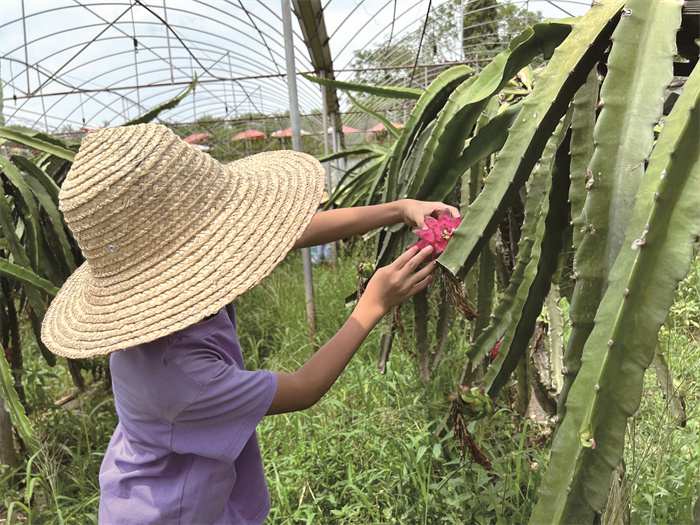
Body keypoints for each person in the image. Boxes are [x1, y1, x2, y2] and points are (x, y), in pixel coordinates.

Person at [41, 123, 460, 524]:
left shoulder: (166, 305)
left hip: (173, 491)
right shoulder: (181, 380)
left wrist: (399, 208)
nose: (243, 244)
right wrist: (372, 304)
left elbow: (287, 232)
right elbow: (303, 389)